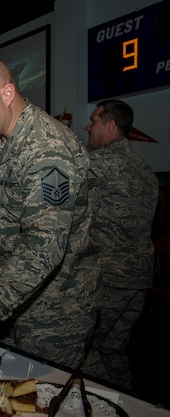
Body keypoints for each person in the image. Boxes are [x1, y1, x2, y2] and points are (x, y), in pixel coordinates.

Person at [0, 52, 101, 370]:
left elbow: (45, 245)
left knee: (44, 401)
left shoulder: (48, 149)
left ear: (7, 93)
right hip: (14, 297)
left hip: (56, 307)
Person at [81, 100, 159, 391]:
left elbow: (79, 219)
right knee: (113, 350)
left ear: (109, 125)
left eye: (94, 121)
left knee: (87, 352)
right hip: (138, 278)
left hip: (107, 278)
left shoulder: (98, 165)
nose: (88, 127)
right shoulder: (145, 171)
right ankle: (132, 414)